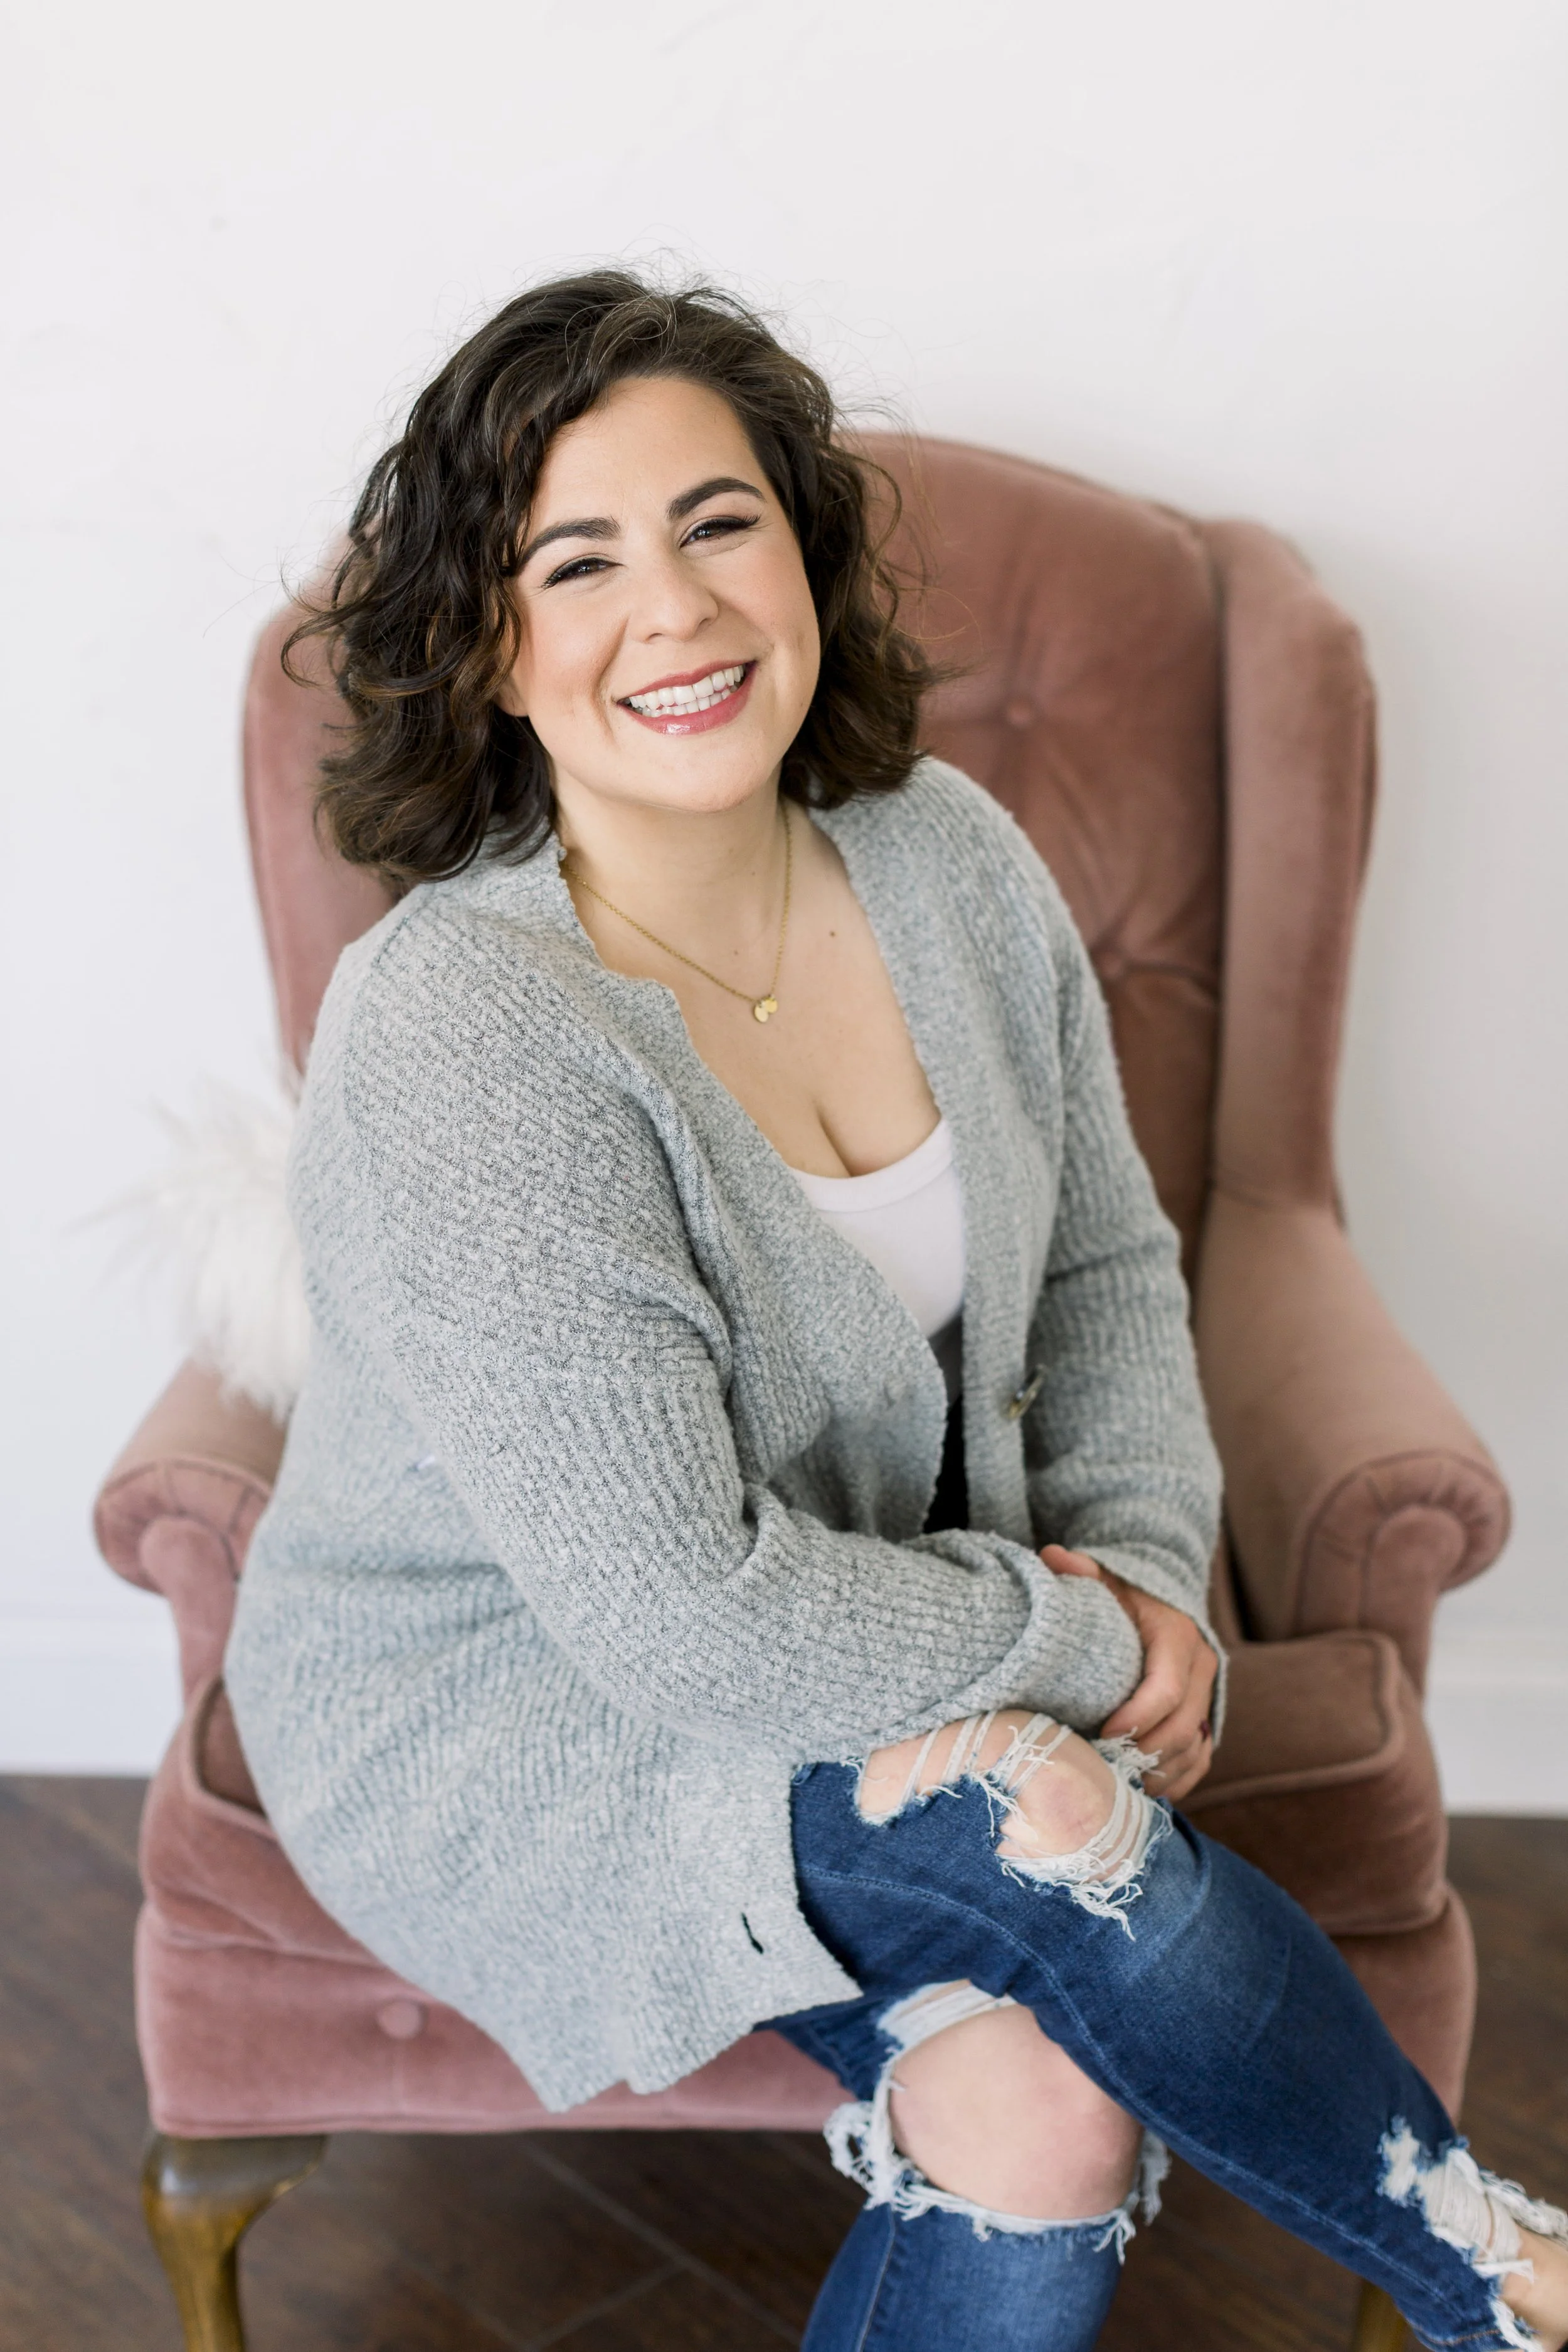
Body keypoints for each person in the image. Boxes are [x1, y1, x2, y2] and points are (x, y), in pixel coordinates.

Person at [225, 269, 1568, 2351]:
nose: (669, 609)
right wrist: (1080, 1643)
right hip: (523, 1712)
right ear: (490, 652)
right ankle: (1501, 2275)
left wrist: (1148, 1585)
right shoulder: (472, 1026)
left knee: (1038, 2114)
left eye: (715, 521)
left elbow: (1115, 1274)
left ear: (803, 549)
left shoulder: (942, 851)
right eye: (574, 561)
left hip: (876, 1616)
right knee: (1038, 1809)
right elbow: (678, 1611)